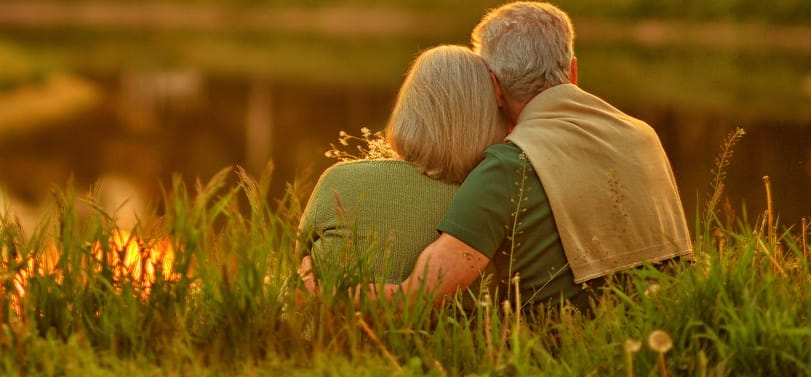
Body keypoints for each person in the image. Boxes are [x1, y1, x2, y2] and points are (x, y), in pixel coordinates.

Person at [384, 2, 695, 310]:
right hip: (663, 327)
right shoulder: (643, 135)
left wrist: (346, 292)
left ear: (494, 86)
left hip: (560, 349)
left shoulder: (509, 165)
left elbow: (419, 297)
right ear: (572, 70)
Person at [298, 45, 506, 292]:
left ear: (408, 107)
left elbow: (300, 262)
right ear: (488, 117)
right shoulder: (489, 202)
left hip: (328, 329)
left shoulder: (338, 180)